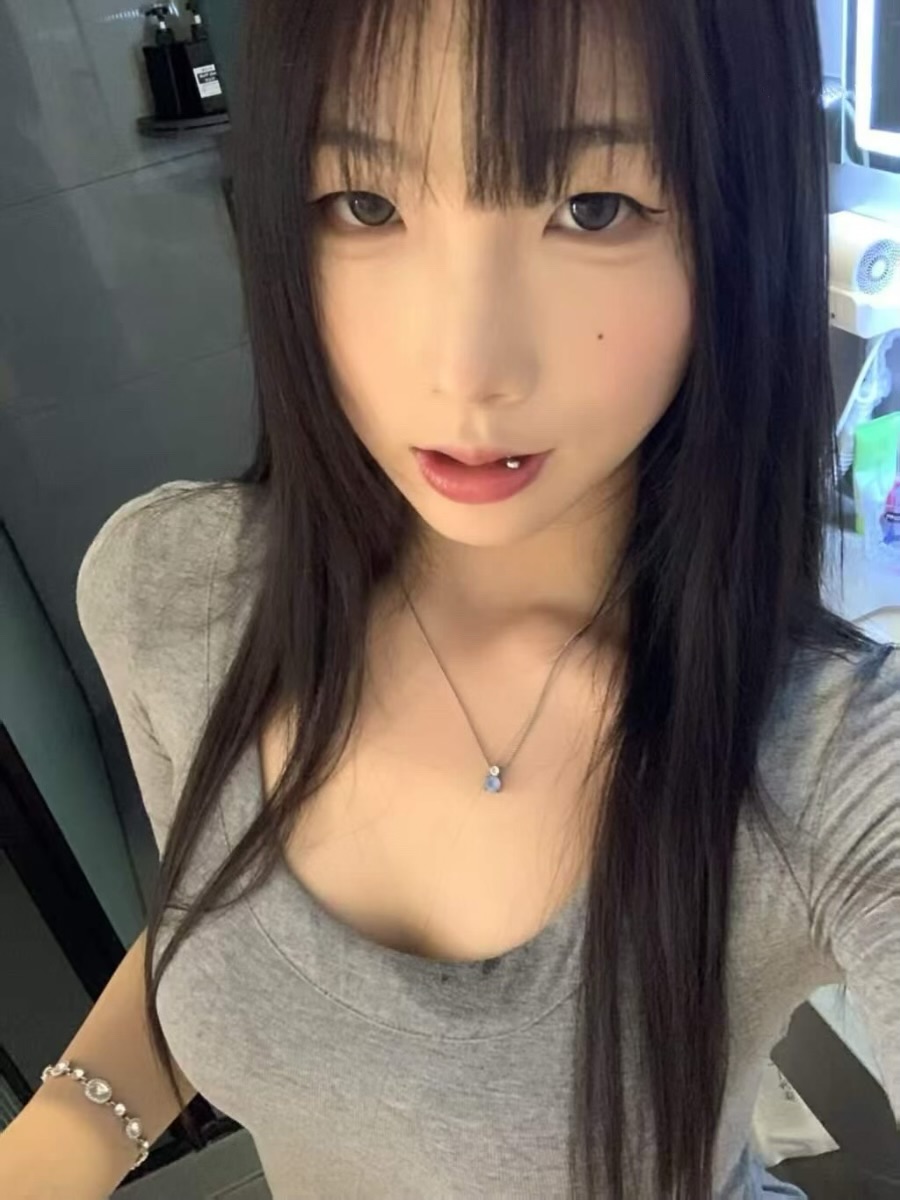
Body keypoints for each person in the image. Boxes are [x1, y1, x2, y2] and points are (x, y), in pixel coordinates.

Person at [4, 1, 897, 1197]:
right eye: (366, 206)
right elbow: (218, 933)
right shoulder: (171, 593)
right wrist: (67, 1131)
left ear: (739, 235)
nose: (464, 368)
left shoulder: (828, 759)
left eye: (594, 207)